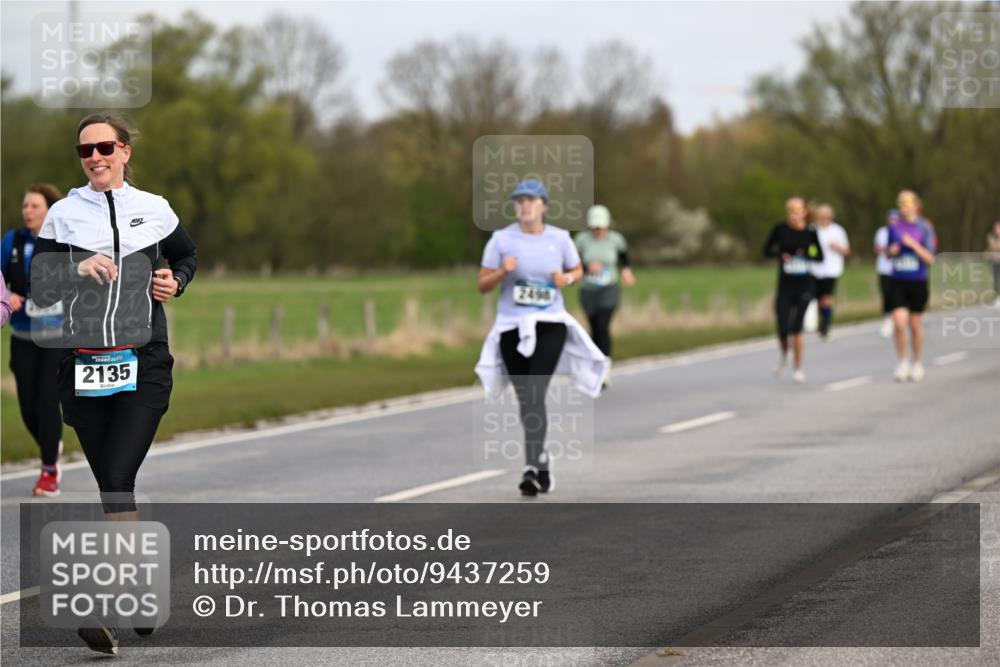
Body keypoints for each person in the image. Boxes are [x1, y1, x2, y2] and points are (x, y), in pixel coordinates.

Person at [32, 112, 196, 654]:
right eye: (85, 151)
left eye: (105, 146)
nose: (95, 157)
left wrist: (176, 279)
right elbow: (39, 284)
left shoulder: (155, 209)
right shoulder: (63, 214)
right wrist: (76, 267)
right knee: (112, 488)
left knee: (121, 474)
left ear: (125, 151)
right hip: (80, 368)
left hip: (142, 362)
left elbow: (186, 256)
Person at [475, 179, 608, 497]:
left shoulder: (559, 238)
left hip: (550, 323)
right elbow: (482, 284)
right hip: (511, 326)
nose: (525, 206)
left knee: (535, 389)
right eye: (519, 201)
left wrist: (567, 278)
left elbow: (577, 269)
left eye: (531, 201)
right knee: (526, 398)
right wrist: (502, 272)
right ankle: (542, 461)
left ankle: (531, 467)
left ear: (544, 206)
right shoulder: (500, 240)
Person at [1, 183, 66, 496]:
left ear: (50, 210)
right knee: (28, 407)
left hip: (55, 337)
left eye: (34, 206)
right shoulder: (11, 241)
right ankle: (52, 447)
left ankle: (49, 471)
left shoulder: (63, 241)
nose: (27, 211)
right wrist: (7, 295)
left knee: (47, 401)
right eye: (25, 206)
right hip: (22, 335)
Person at [762, 197, 824, 383]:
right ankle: (784, 354)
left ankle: (798, 368)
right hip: (785, 285)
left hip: (805, 284)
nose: (794, 215)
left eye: (797, 211)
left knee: (796, 328)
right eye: (791, 211)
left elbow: (819, 255)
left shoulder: (810, 232)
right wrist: (782, 255)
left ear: (804, 212)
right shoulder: (780, 230)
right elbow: (766, 251)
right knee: (782, 327)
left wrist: (806, 254)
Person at [573, 204, 635, 380]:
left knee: (603, 326)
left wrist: (626, 271)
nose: (598, 231)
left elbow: (624, 256)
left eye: (601, 228)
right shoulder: (581, 240)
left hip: (609, 288)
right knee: (594, 328)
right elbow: (572, 263)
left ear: (607, 225)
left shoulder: (616, 239)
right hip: (588, 290)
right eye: (595, 228)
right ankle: (595, 363)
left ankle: (604, 367)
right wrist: (587, 267)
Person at [885, 190, 936, 382]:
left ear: (916, 205)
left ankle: (917, 363)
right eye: (901, 204)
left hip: (918, 280)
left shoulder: (924, 228)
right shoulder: (894, 227)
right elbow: (888, 254)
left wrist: (914, 246)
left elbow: (931, 259)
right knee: (899, 322)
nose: (903, 207)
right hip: (897, 279)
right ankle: (902, 362)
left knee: (915, 324)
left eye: (907, 203)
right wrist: (891, 251)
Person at [810, 204, 850, 340]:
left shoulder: (838, 231)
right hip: (814, 270)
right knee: (816, 299)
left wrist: (837, 247)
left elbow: (847, 250)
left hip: (832, 269)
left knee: (826, 298)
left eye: (826, 216)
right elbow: (809, 249)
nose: (823, 219)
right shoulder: (813, 230)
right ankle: (820, 321)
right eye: (820, 216)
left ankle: (826, 325)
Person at [873, 218, 895, 337]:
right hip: (883, 269)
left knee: (898, 297)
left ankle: (899, 319)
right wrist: (880, 249)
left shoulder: (901, 231)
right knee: (886, 295)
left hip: (898, 271)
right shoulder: (881, 232)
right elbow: (875, 249)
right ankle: (887, 320)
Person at [985, 220, 1000, 307]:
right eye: (996, 228)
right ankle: (997, 297)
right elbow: (991, 248)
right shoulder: (990, 237)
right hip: (995, 261)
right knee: (996, 280)